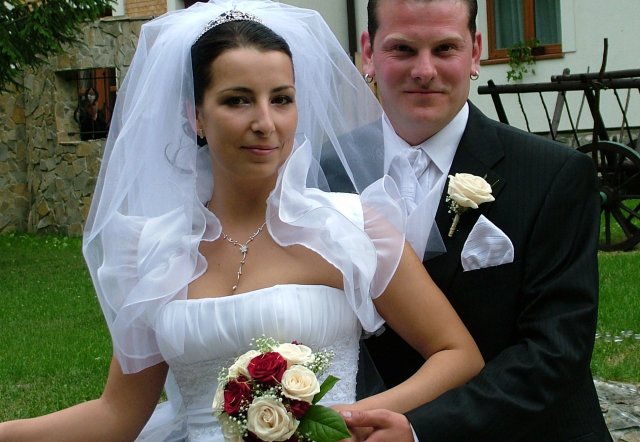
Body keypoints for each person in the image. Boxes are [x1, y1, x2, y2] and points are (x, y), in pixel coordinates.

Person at [0, 1, 483, 441]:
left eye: (281, 99)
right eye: (237, 100)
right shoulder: (151, 249)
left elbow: (456, 354)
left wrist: (350, 420)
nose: (265, 123)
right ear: (196, 116)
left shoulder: (351, 226)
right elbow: (118, 414)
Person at [336, 0, 611, 441]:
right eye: (403, 49)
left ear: (476, 52)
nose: (424, 71)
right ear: (368, 52)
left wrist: (419, 430)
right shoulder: (325, 175)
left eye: (445, 48)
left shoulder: (552, 175)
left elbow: (554, 351)